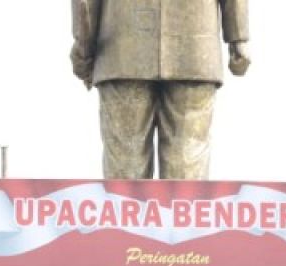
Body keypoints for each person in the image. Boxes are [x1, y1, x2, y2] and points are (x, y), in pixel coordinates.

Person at [70, 0, 250, 180]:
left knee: (126, 169)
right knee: (187, 166)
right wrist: (238, 37)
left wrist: (83, 47)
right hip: (195, 48)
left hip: (122, 50)